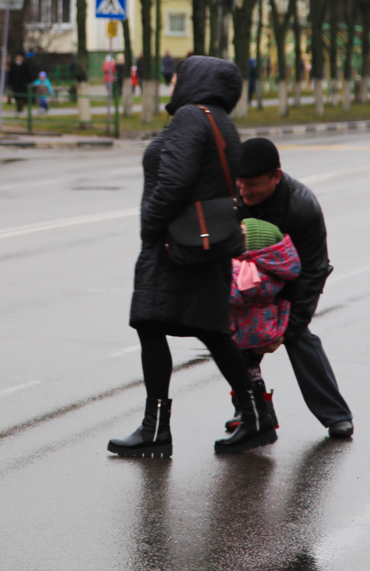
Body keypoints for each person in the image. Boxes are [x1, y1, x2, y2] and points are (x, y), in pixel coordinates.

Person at [108, 56, 278, 458]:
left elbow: (174, 180)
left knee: (151, 324)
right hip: (207, 242)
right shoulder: (221, 120)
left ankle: (156, 429)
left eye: (177, 77)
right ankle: (257, 416)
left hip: (175, 244)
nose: (172, 83)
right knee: (214, 331)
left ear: (194, 81)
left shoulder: (189, 117)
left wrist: (150, 227)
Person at [235, 138, 354, 438]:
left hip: (292, 279)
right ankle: (251, 411)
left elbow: (313, 272)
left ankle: (336, 415)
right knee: (233, 337)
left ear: (276, 176)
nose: (244, 191)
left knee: (298, 336)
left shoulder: (302, 207)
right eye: (240, 183)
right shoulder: (231, 195)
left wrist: (286, 329)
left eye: (253, 184)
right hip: (245, 278)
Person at [224, 218, 301, 432]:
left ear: (254, 246)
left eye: (242, 235)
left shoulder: (253, 272)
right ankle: (251, 412)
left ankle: (257, 413)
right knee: (247, 371)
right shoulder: (263, 268)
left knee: (246, 372)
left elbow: (234, 295)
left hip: (251, 332)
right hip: (251, 330)